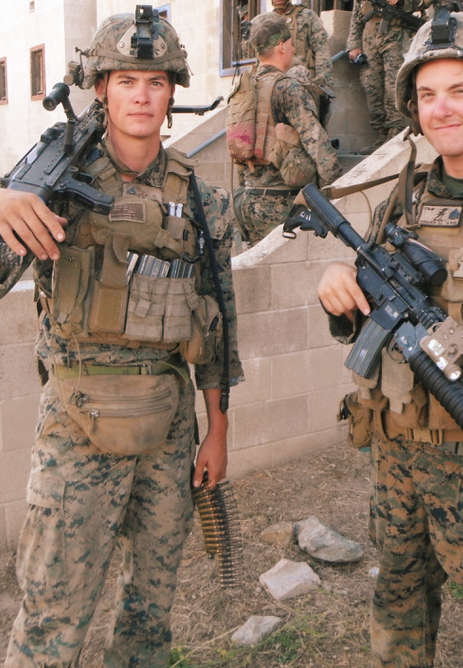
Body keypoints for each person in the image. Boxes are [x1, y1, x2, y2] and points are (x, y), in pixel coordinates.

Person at [0, 6, 243, 667]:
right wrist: (3, 201)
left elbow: (218, 317)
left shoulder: (197, 195)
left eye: (157, 81)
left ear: (172, 95)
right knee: (53, 615)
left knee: (149, 613)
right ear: (101, 88)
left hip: (169, 431)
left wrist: (216, 429)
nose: (142, 94)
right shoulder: (55, 179)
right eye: (127, 80)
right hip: (78, 430)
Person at [318, 9, 463, 667]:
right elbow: (371, 324)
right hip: (398, 467)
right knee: (397, 629)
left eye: (459, 90)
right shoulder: (405, 196)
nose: (441, 108)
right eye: (427, 93)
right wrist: (342, 293)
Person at [231, 13, 340, 247]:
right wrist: (336, 191)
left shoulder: (245, 86)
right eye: (291, 43)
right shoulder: (287, 87)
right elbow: (317, 144)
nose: (293, 49)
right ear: (281, 47)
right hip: (280, 205)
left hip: (247, 202)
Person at [346, 0, 426, 149]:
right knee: (372, 87)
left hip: (396, 38)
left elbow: (422, 4)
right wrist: (353, 45)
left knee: (393, 86)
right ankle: (381, 136)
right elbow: (356, 19)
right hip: (369, 40)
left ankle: (394, 135)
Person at [271, 0, 333, 90]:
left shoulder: (307, 16)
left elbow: (321, 50)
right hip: (274, 83)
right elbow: (261, 57)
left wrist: (323, 83)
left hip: (303, 83)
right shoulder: (267, 21)